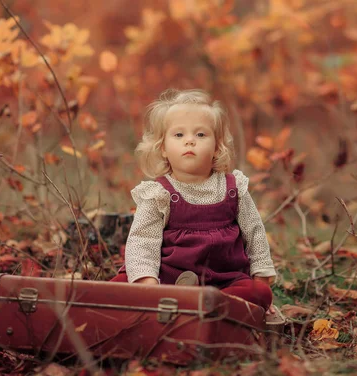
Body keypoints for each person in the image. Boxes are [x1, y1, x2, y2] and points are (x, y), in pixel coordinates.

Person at [111, 88, 277, 314]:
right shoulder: (159, 194)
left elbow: (254, 232)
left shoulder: (233, 188)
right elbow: (142, 240)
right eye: (179, 135)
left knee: (259, 293)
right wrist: (148, 282)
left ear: (217, 146)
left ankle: (205, 306)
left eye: (200, 135)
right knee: (116, 287)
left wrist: (261, 273)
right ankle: (182, 306)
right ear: (163, 148)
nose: (190, 141)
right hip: (166, 280)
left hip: (224, 282)